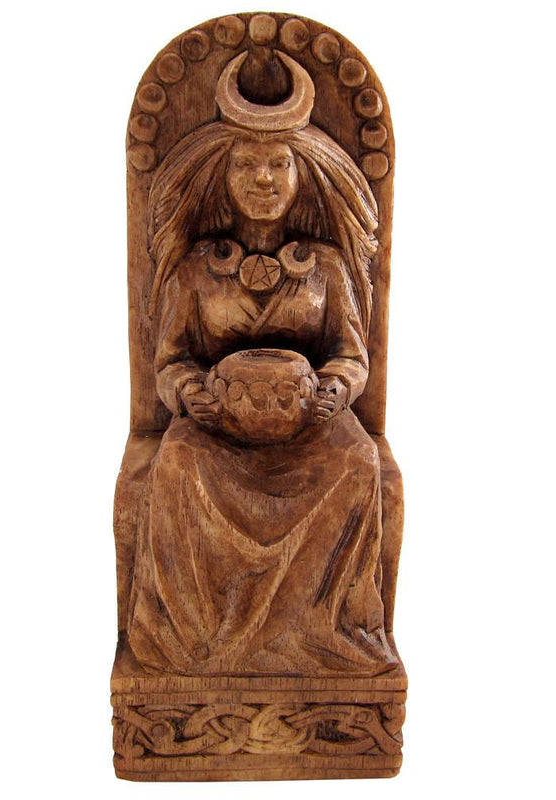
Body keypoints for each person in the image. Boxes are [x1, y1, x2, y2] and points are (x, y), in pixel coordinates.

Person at [126, 53, 400, 677]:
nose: (264, 179)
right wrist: (189, 391)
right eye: (246, 165)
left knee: (359, 462)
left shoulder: (326, 267)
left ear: (303, 174)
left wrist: (335, 387)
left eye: (279, 164)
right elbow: (169, 362)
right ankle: (196, 645)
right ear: (221, 176)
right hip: (217, 429)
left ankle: (324, 635)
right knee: (175, 462)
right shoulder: (195, 270)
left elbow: (351, 355)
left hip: (310, 426)